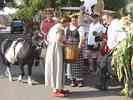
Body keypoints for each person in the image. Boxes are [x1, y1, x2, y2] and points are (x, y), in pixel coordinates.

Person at [45, 16, 71, 97]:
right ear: (65, 22)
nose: (68, 25)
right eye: (68, 23)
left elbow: (48, 38)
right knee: (57, 68)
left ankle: (59, 88)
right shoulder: (61, 29)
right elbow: (58, 40)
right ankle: (56, 90)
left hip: (51, 49)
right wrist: (66, 45)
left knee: (56, 68)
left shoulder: (54, 27)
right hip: (57, 50)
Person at [65, 15, 84, 87]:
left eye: (75, 20)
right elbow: (65, 37)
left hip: (77, 47)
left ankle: (79, 80)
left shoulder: (80, 28)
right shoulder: (68, 28)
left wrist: (79, 47)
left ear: (77, 20)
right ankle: (72, 80)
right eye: (72, 20)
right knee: (70, 64)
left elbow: (82, 38)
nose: (74, 22)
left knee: (78, 64)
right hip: (69, 48)